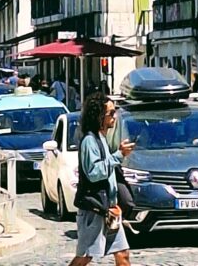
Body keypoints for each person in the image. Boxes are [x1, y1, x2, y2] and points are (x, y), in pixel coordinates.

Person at [68, 91, 135, 266]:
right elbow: (94, 172)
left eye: (115, 111)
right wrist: (118, 155)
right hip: (95, 210)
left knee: (122, 254)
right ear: (98, 116)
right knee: (85, 256)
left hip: (109, 210)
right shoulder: (90, 141)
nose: (115, 116)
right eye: (111, 113)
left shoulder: (101, 138)